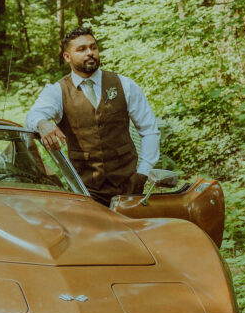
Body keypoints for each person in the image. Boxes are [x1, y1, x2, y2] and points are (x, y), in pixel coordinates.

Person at [25, 27, 160, 205]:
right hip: (86, 189)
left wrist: (142, 173)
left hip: (129, 185)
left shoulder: (124, 85)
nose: (90, 53)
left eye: (93, 47)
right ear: (67, 57)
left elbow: (149, 130)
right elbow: (33, 115)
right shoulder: (58, 91)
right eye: (81, 49)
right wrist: (43, 124)